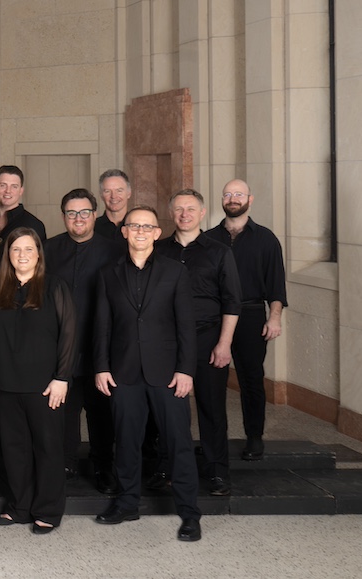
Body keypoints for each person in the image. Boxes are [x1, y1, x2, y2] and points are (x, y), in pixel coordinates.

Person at [93, 205, 202, 543]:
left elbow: (187, 327)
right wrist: (100, 366)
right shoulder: (108, 274)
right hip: (123, 373)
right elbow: (102, 326)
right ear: (124, 231)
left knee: (179, 443)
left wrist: (186, 370)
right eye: (134, 225)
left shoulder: (176, 272)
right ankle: (127, 503)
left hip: (167, 373)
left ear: (157, 233)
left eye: (147, 226)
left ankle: (189, 515)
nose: (140, 231)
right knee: (125, 441)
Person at [0, 227, 76, 534]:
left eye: (28, 249)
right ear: (8, 254)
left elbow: (69, 334)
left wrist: (62, 378)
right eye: (16, 249)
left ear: (38, 254)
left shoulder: (54, 286)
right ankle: (20, 506)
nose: (22, 255)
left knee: (47, 448)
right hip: (5, 383)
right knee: (13, 448)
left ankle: (48, 509)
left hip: (45, 385)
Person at [152, 189, 241, 497]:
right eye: (179, 209)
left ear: (202, 214)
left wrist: (224, 343)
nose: (184, 214)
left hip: (208, 337)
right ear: (171, 214)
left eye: (191, 209)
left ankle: (217, 472)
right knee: (168, 408)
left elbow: (232, 300)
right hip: (167, 341)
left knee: (212, 407)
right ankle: (167, 467)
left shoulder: (219, 251)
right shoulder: (158, 250)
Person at [44, 189, 123, 493]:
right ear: (63, 216)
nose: (78, 219)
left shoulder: (115, 250)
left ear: (95, 214)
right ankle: (65, 462)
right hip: (59, 345)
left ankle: (103, 465)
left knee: (101, 410)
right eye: (71, 213)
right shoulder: (48, 249)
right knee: (63, 409)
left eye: (84, 212)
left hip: (100, 346)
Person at [204, 179, 287, 460]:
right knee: (213, 380)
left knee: (251, 379)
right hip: (215, 317)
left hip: (251, 316)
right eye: (228, 194)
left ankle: (254, 437)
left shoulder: (266, 239)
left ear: (250, 200)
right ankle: (214, 440)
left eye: (238, 194)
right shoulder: (209, 239)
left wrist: (274, 318)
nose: (232, 198)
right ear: (222, 200)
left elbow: (276, 285)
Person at [0, 164, 47, 245]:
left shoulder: (34, 225)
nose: (8, 191)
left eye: (14, 186)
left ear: (21, 191)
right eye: (3, 185)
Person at [94, 169, 132, 241]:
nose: (113, 196)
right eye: (107, 191)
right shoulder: (92, 228)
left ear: (129, 193)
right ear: (101, 195)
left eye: (119, 191)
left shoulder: (137, 228)